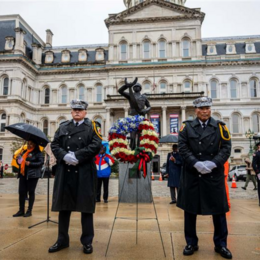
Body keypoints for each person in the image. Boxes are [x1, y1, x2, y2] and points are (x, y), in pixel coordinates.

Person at [177, 97, 232, 259]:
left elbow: (226, 148)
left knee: (219, 211)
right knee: (190, 211)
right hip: (193, 174)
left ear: (210, 109)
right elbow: (182, 147)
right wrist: (196, 163)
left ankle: (221, 244)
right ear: (195, 110)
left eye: (207, 108)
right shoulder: (186, 127)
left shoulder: (220, 127)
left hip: (213, 175)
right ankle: (191, 242)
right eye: (201, 108)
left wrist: (213, 163)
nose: (204, 111)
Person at [49, 99, 102, 255]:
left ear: (85, 112)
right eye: (74, 110)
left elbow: (96, 145)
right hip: (65, 170)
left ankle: (87, 241)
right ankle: (62, 240)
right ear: (71, 112)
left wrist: (77, 156)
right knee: (64, 207)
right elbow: (54, 144)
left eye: (80, 109)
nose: (77, 112)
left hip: (84, 170)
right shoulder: (63, 126)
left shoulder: (93, 126)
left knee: (86, 208)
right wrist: (65, 156)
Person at [13, 140, 44, 217]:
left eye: (31, 144)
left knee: (31, 192)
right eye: (28, 143)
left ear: (35, 144)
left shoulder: (38, 153)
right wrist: (18, 158)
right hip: (23, 174)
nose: (29, 145)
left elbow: (40, 163)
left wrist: (30, 163)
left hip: (32, 175)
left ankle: (29, 210)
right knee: (21, 192)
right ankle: (21, 210)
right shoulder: (24, 152)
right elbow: (20, 163)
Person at [119, 78, 151, 150]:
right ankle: (132, 149)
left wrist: (145, 110)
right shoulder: (131, 95)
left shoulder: (144, 97)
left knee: (140, 136)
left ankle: (139, 150)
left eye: (137, 86)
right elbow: (120, 91)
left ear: (140, 88)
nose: (136, 88)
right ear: (133, 88)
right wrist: (127, 86)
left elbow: (149, 106)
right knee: (132, 136)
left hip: (141, 117)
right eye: (134, 87)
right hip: (132, 117)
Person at [252, 142, 260, 206]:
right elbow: (253, 164)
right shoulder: (256, 154)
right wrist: (257, 172)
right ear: (258, 146)